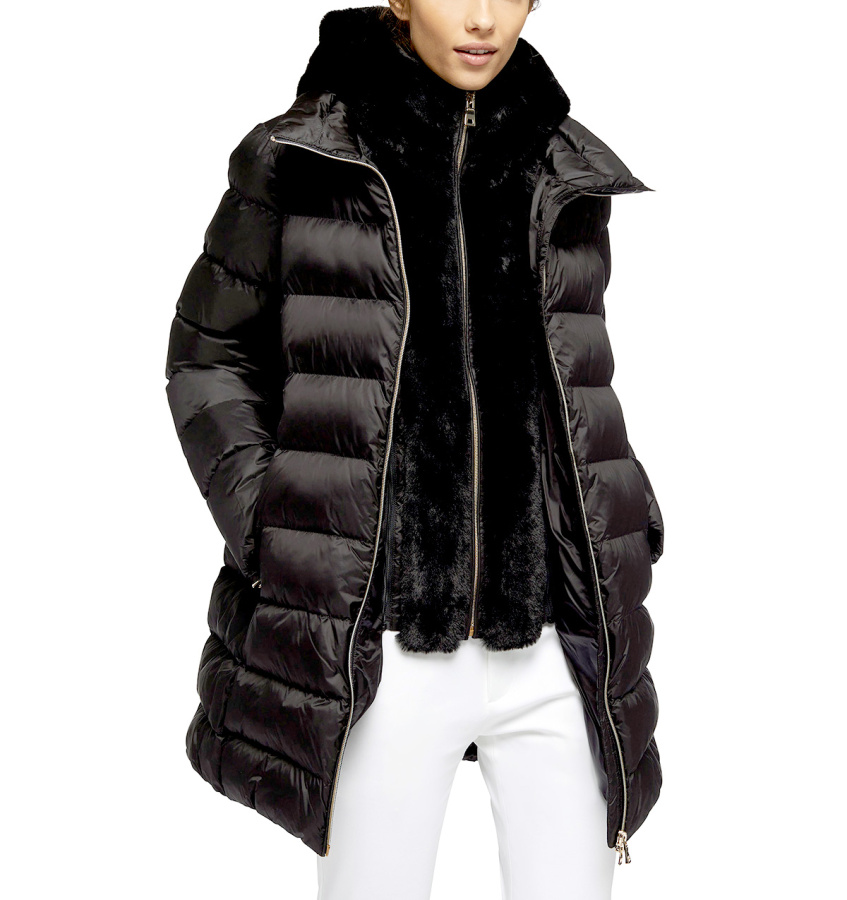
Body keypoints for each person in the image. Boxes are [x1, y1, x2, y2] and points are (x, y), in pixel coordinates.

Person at [164, 3, 665, 898]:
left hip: (556, 637)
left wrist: (623, 514)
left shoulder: (565, 165)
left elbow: (575, 375)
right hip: (381, 640)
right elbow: (209, 359)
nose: (480, 19)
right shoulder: (304, 156)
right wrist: (279, 531)